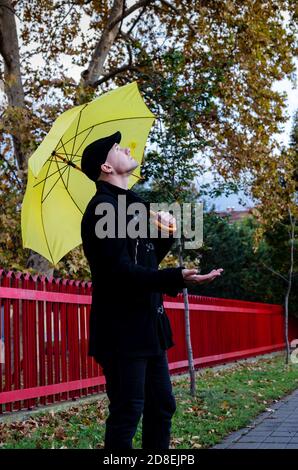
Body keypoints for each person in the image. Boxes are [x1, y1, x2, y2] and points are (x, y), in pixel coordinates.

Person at [80, 131, 223, 449]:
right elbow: (119, 274)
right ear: (106, 166)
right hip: (121, 332)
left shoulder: (132, 208)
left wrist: (166, 232)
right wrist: (176, 277)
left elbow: (145, 262)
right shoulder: (102, 208)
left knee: (161, 406)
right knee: (128, 412)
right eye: (118, 148)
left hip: (148, 330)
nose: (127, 147)